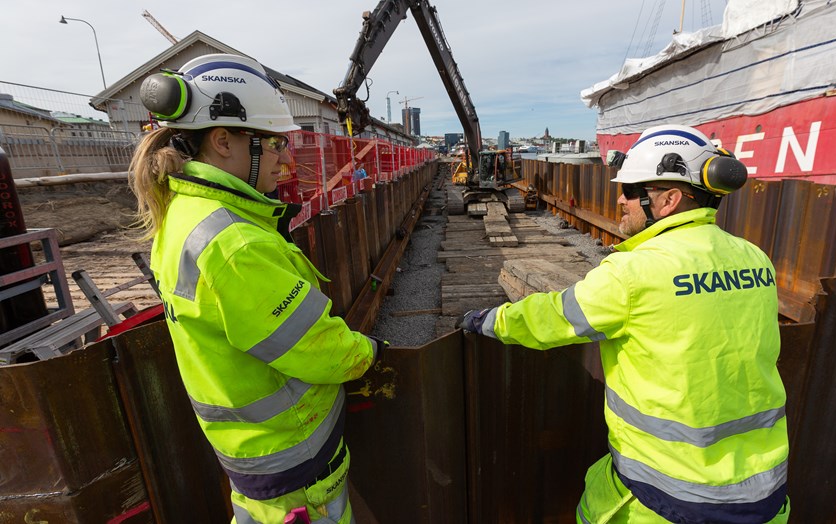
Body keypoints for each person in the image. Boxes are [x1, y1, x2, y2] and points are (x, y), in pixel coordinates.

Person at [459, 124, 790, 523]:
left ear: (668, 200)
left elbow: (550, 318)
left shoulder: (635, 272)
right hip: (764, 497)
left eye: (631, 190)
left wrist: (489, 320)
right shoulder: (755, 259)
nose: (620, 199)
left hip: (665, 500)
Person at [130, 53, 385, 524]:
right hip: (294, 462)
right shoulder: (233, 243)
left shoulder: (182, 215)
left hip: (250, 457)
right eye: (273, 144)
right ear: (223, 141)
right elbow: (317, 348)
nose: (287, 158)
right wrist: (372, 354)